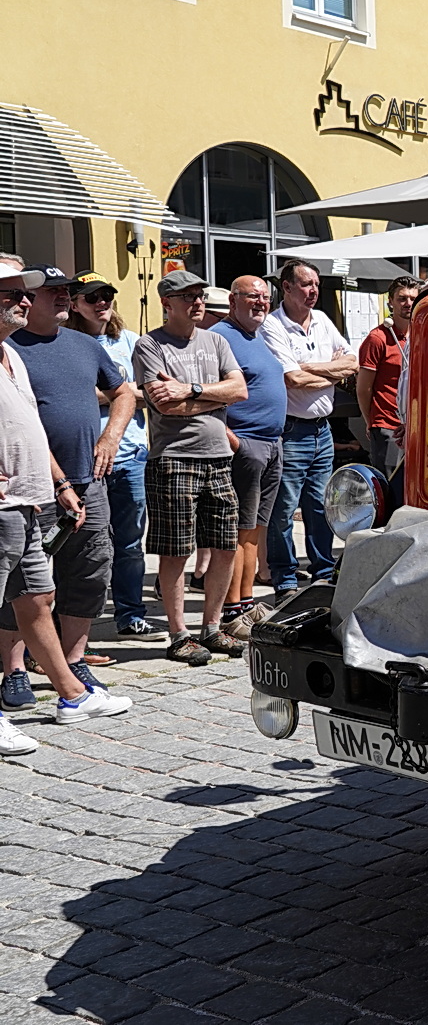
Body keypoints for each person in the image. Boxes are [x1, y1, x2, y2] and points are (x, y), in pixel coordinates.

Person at [0, 261, 132, 753]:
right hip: (17, 499)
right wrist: (54, 481)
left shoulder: (15, 354)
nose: (27, 300)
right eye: (16, 293)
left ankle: (71, 689)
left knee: (45, 595)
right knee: (17, 597)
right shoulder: (13, 348)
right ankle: (11, 681)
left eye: (29, 293)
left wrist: (100, 445)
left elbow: (30, 423)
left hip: (45, 492)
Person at [133, 270, 249, 664]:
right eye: (187, 297)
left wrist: (191, 389)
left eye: (199, 295)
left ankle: (212, 628)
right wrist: (216, 398)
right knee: (176, 550)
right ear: (167, 304)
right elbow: (164, 405)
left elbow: (240, 390)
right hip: (174, 458)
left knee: (225, 545)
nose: (197, 302)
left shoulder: (216, 340)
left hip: (218, 456)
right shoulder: (150, 345)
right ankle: (179, 633)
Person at [66, 273, 154, 639]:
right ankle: (76, 623)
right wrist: (121, 392)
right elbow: (70, 396)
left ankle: (130, 614)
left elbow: (151, 392)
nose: (102, 302)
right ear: (74, 304)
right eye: (92, 297)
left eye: (107, 294)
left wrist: (112, 393)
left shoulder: (130, 341)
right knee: (86, 545)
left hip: (130, 455)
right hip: (85, 460)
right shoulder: (68, 343)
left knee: (130, 545)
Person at [261, 259, 355, 599]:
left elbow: (353, 362)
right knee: (283, 510)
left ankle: (323, 572)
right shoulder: (273, 325)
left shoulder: (323, 321)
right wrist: (332, 372)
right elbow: (292, 379)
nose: (313, 290)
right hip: (291, 431)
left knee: (320, 507)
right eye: (306, 284)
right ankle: (285, 579)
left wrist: (312, 367)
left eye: (316, 284)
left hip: (322, 431)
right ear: (286, 287)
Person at [212, 275, 286, 640]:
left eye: (265, 297)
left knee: (255, 529)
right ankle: (230, 611)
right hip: (246, 445)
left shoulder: (257, 336)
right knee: (239, 530)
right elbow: (210, 397)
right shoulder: (220, 337)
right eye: (252, 296)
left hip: (271, 444)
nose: (261, 303)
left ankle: (246, 602)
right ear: (232, 300)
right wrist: (234, 441)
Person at [356, 276, 418, 473]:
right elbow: (363, 388)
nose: (408, 303)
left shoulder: (421, 335)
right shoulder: (378, 338)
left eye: (413, 298)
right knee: (391, 483)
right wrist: (371, 422)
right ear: (390, 301)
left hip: (416, 427)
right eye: (402, 298)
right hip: (388, 427)